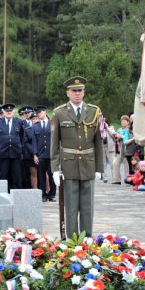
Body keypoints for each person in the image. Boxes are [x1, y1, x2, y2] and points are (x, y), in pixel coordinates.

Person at [51, 76, 104, 238]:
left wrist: (99, 168)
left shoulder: (94, 112)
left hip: (88, 164)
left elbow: (98, 142)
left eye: (80, 91)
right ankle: (72, 239)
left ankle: (86, 238)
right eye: (74, 91)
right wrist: (54, 169)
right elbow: (54, 144)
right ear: (67, 93)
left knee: (87, 206)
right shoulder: (59, 113)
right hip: (68, 165)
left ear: (84, 92)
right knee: (71, 206)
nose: (77, 94)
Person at [0, 103, 25, 190]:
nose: (9, 112)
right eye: (7, 111)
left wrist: (21, 151)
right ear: (3, 112)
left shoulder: (19, 122)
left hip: (15, 154)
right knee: (2, 176)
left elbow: (22, 138)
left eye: (10, 111)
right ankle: (2, 195)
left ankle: (17, 196)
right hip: (2, 154)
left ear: (14, 112)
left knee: (16, 177)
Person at [33, 106, 54, 201]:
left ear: (45, 112)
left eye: (40, 112)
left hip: (51, 154)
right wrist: (34, 154)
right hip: (40, 154)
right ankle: (43, 194)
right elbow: (34, 141)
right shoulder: (35, 126)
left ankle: (52, 194)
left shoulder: (52, 124)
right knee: (41, 175)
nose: (39, 114)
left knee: (52, 175)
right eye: (37, 112)